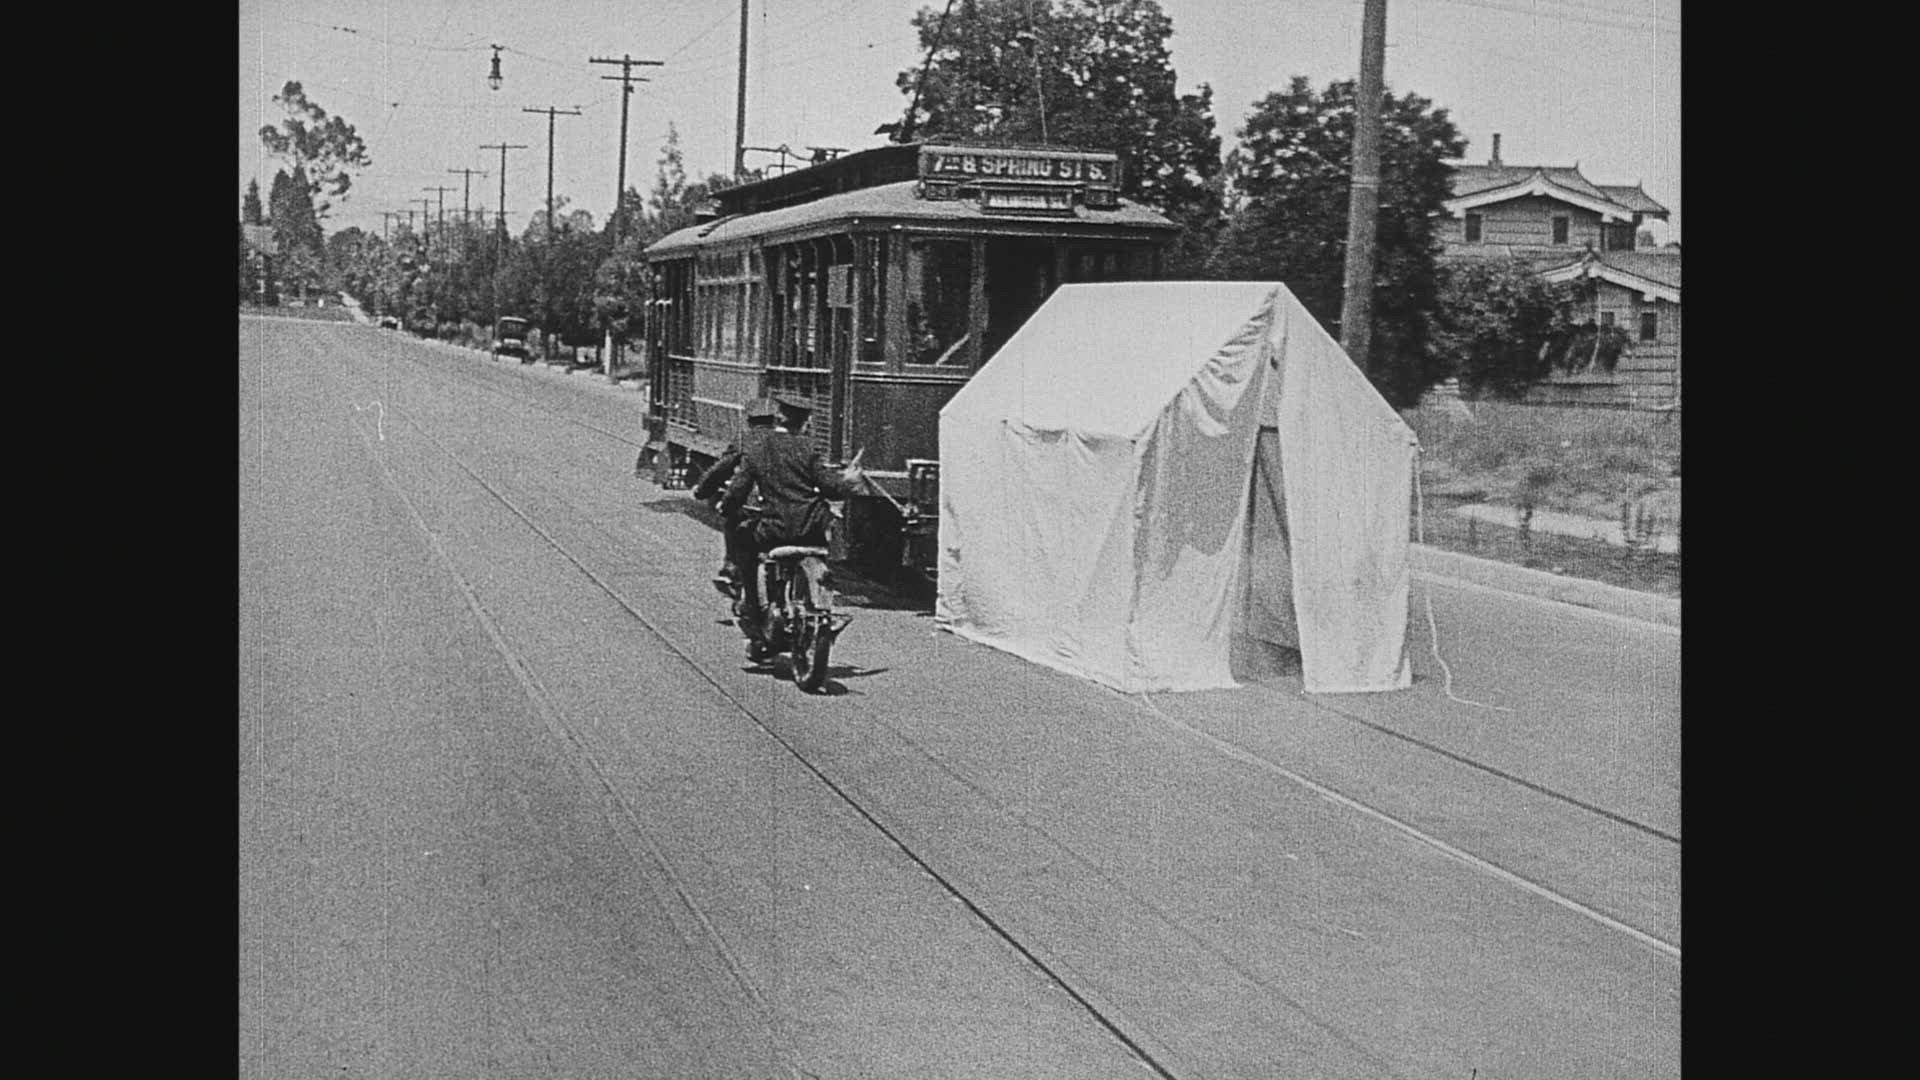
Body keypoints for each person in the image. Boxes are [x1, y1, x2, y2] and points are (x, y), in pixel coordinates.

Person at [719, 395, 863, 641]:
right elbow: (830, 488)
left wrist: (726, 507)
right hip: (811, 528)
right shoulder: (808, 448)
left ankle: (752, 609)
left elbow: (738, 491)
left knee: (743, 543)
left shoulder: (758, 449)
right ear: (806, 422)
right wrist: (847, 482)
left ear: (778, 417)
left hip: (774, 530)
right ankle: (821, 611)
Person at [690, 397, 781, 595]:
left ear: (749, 421)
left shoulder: (744, 439)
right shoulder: (790, 439)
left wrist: (702, 490)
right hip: (786, 507)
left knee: (732, 520)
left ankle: (731, 567)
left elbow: (721, 469)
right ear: (775, 419)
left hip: (754, 505)